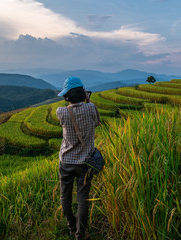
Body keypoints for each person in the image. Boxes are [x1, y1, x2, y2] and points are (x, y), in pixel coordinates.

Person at [56, 77, 100, 240]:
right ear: (83, 93)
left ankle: (71, 226)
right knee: (83, 199)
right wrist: (87, 100)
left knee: (65, 196)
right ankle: (80, 234)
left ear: (66, 96)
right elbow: (97, 123)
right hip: (85, 162)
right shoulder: (91, 108)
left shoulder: (61, 111)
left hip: (66, 160)